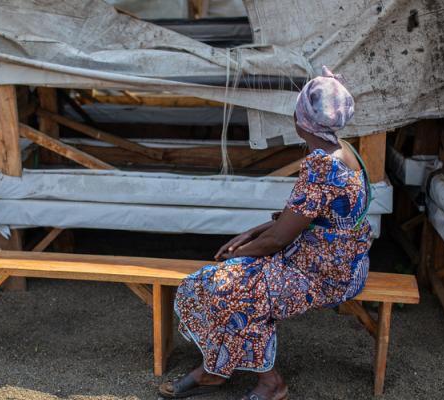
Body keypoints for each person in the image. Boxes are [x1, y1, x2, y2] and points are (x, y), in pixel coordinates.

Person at [158, 67, 372, 400]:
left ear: (300, 120)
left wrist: (238, 254)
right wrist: (250, 233)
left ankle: (267, 382)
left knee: (229, 286)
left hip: (326, 274)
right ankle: (215, 369)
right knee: (227, 280)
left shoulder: (322, 166)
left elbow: (278, 239)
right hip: (339, 260)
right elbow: (303, 217)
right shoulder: (342, 150)